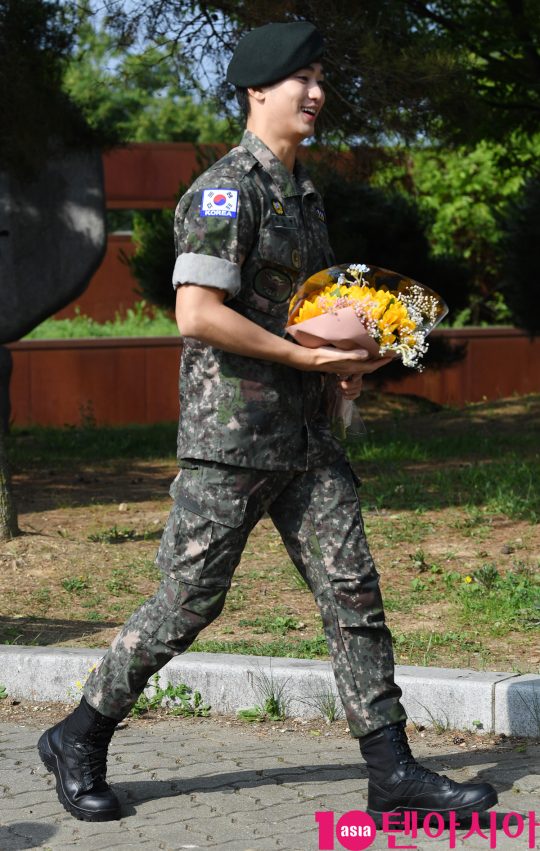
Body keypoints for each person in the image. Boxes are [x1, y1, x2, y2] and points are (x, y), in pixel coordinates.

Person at [37, 21, 497, 825]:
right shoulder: (225, 190)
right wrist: (303, 357)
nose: (316, 94)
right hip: (230, 437)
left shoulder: (303, 194)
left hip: (307, 436)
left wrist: (349, 366)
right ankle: (79, 732)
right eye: (300, 79)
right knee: (189, 600)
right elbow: (197, 314)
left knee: (352, 588)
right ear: (256, 90)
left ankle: (390, 771)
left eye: (320, 77)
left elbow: (311, 315)